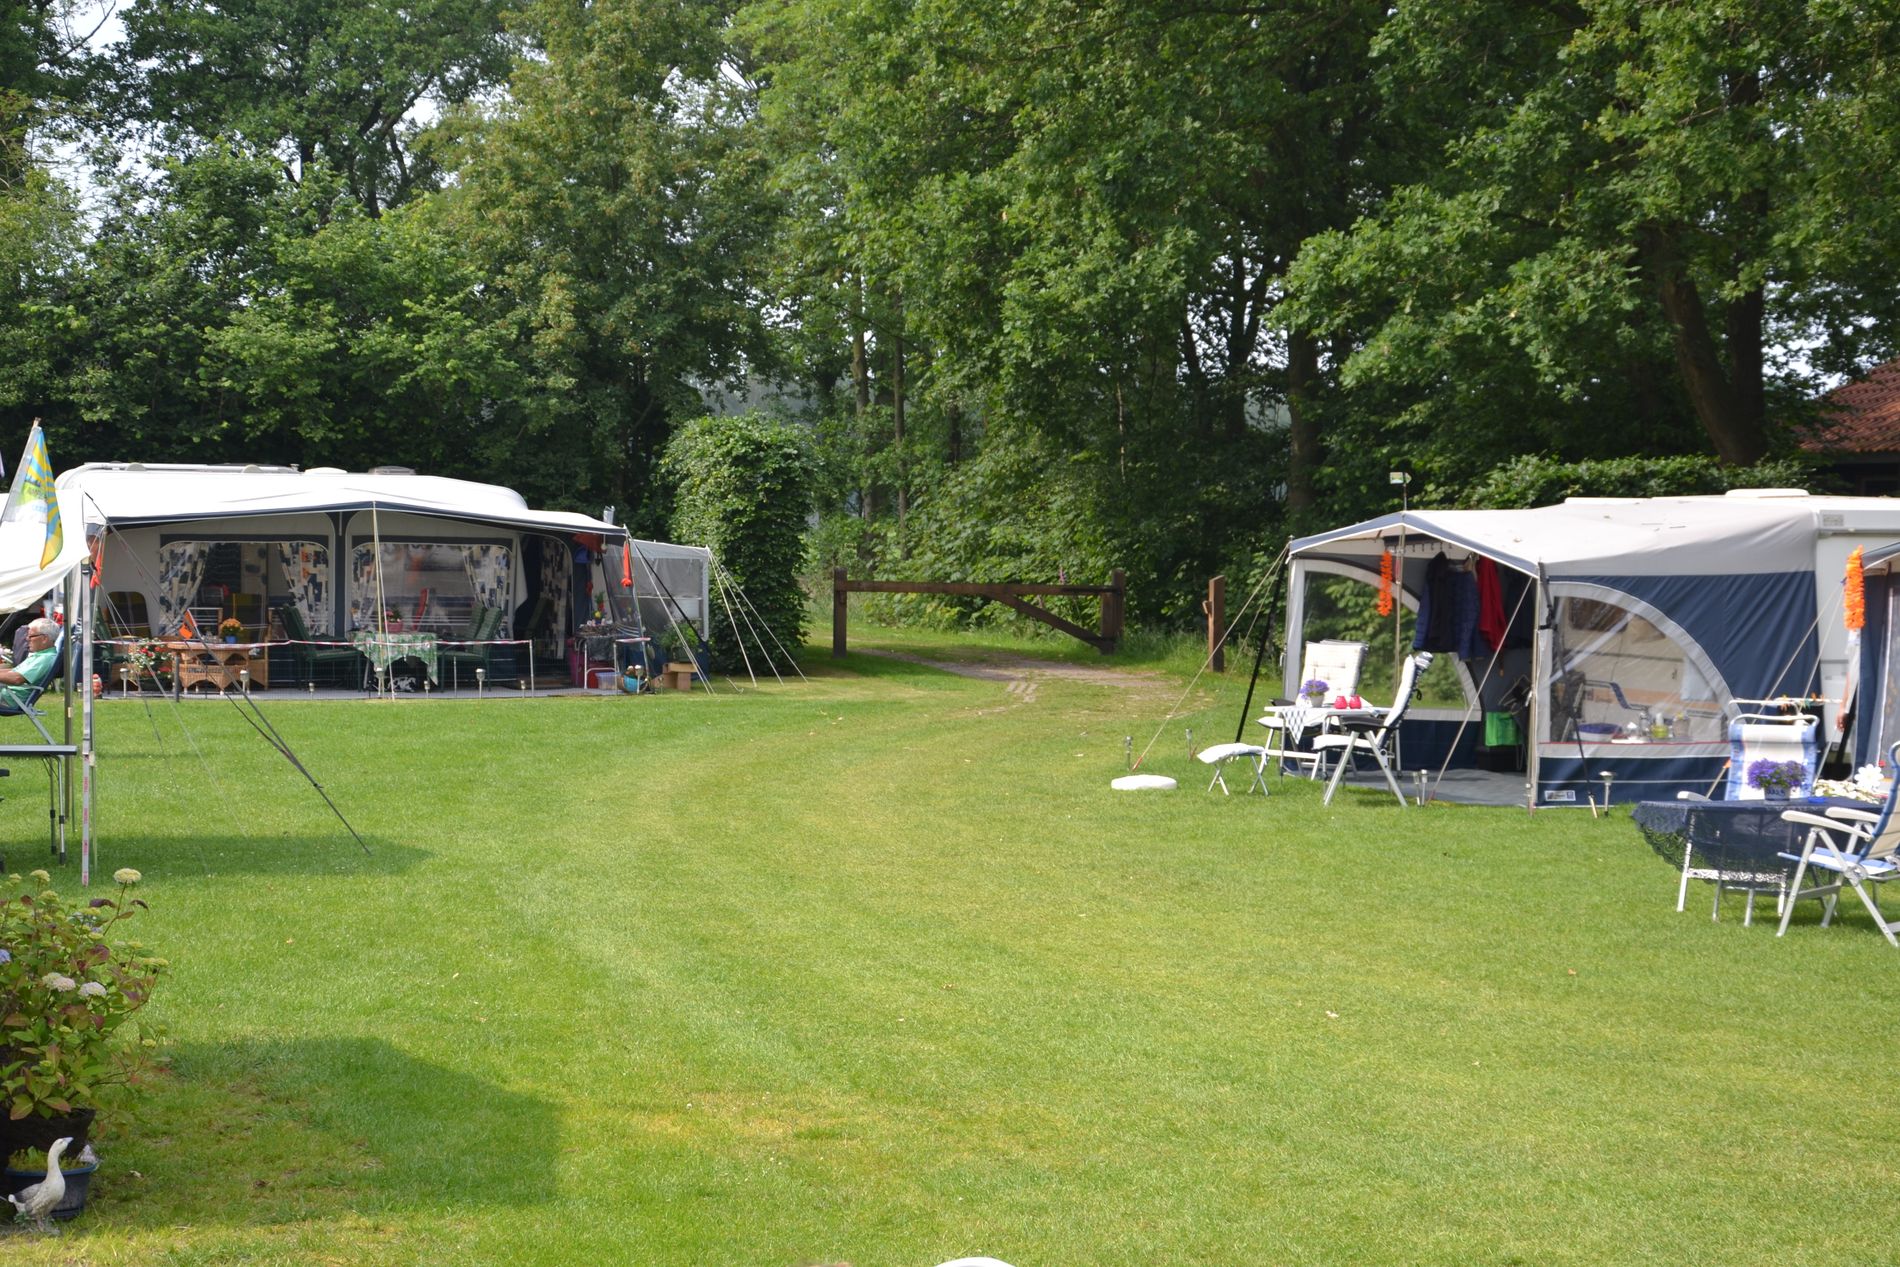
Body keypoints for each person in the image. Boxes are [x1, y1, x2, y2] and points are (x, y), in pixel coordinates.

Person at [0, 618, 60, 710]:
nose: (27, 639)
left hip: (8, 699)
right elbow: (14, 671)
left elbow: (17, 679)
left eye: (31, 636)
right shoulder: (40, 655)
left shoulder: (45, 658)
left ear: (44, 638)